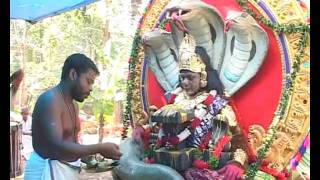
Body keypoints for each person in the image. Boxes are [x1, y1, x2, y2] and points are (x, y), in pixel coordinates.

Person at [24, 53, 122, 180]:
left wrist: (91, 159)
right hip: (45, 172)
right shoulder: (50, 100)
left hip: (66, 171)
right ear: (73, 75)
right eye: (88, 81)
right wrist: (99, 148)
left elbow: (71, 142)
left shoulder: (74, 104)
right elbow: (57, 148)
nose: (91, 88)